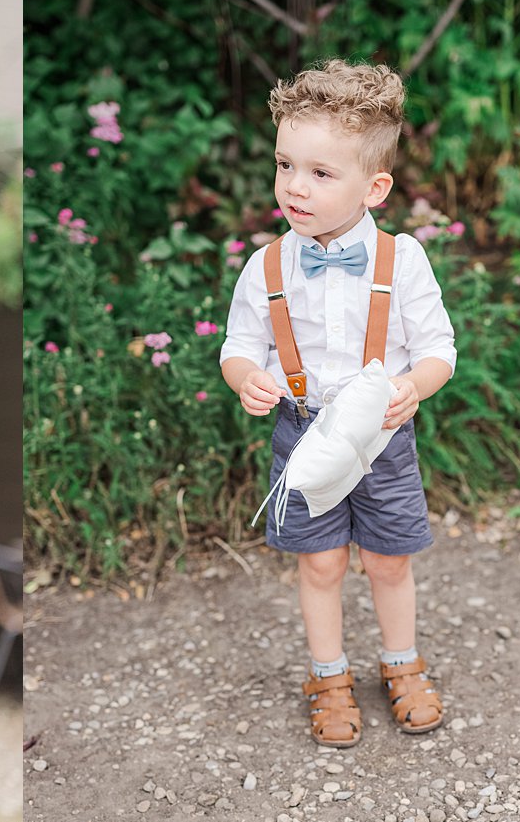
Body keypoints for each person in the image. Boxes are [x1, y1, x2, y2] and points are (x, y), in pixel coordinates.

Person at [219, 59, 458, 748]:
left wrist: (415, 385)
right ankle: (328, 675)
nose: (295, 185)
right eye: (285, 165)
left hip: (383, 437)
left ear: (374, 187)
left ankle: (401, 662)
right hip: (302, 433)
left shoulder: (401, 260)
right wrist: (245, 377)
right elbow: (240, 345)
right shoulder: (267, 266)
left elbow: (439, 348)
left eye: (321, 173)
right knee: (320, 562)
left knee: (388, 559)